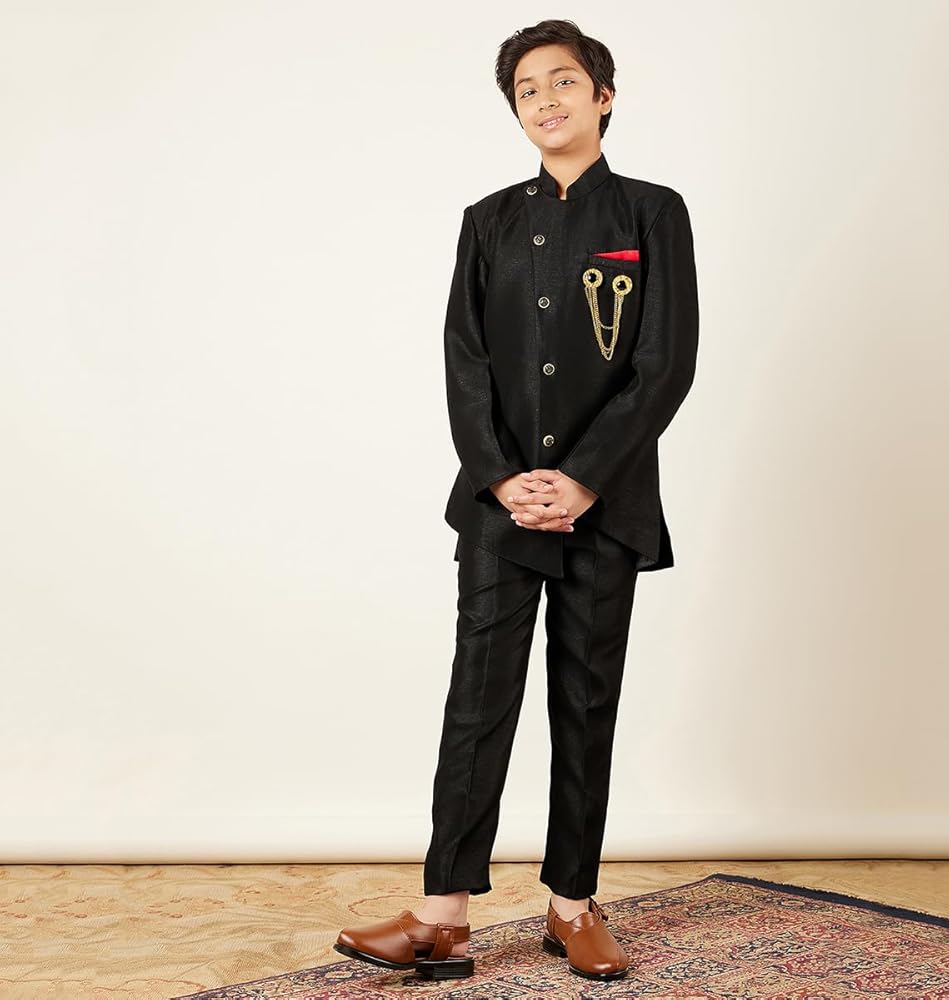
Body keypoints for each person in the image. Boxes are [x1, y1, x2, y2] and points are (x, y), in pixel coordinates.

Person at [335, 17, 699, 983]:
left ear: (603, 97)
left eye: (563, 81)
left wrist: (584, 477)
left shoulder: (653, 213)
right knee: (477, 698)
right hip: (499, 506)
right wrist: (502, 476)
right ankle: (442, 917)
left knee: (585, 703)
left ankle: (573, 905)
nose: (545, 100)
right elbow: (465, 360)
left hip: (607, 505)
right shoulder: (488, 220)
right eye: (527, 89)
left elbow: (664, 364)